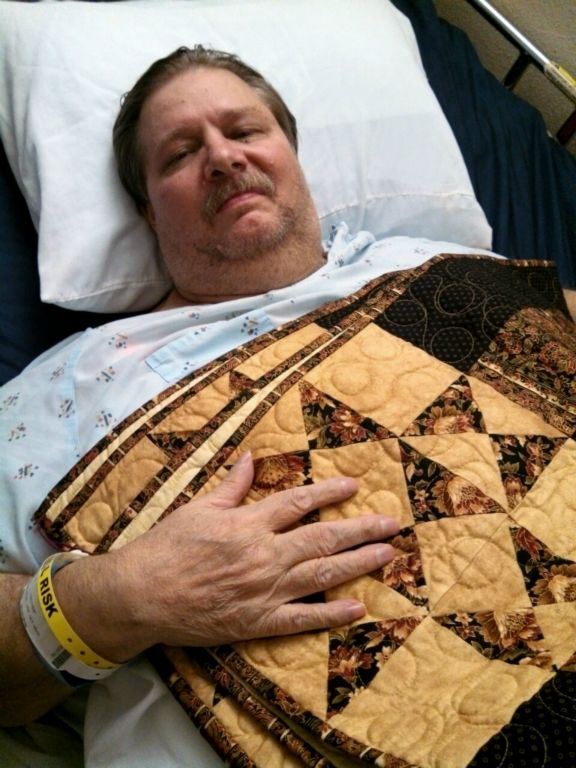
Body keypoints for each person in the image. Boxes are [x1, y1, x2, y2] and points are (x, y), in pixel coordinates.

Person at [0, 46, 573, 768]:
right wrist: (120, 598)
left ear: (291, 155)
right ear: (148, 209)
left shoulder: (431, 266)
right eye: (180, 153)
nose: (222, 157)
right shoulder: (72, 386)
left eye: (244, 131)